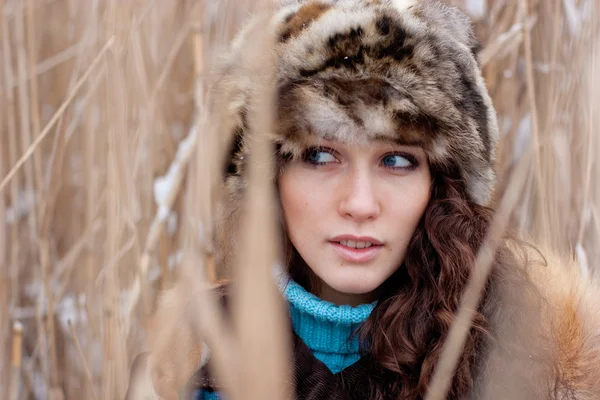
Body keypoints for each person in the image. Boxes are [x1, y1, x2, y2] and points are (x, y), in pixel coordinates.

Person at [126, 1, 600, 399]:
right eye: (319, 155)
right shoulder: (190, 363)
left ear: (441, 185)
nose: (359, 203)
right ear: (269, 178)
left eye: (396, 161)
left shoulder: (532, 361)